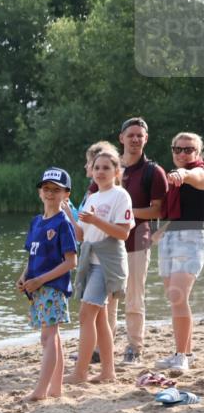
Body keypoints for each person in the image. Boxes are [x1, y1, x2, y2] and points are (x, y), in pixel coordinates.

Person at [66, 150, 134, 384]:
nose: (101, 172)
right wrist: (69, 215)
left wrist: (95, 220)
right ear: (91, 172)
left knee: (86, 315)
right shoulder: (92, 198)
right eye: (97, 168)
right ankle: (108, 372)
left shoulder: (120, 195)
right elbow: (82, 236)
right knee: (99, 317)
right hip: (90, 261)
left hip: (107, 262)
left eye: (106, 167)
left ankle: (80, 372)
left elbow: (123, 233)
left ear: (117, 172)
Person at [17, 168, 78, 401]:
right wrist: (24, 277)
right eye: (46, 189)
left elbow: (71, 262)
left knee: (49, 337)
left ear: (66, 194)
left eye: (56, 189)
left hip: (53, 287)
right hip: (36, 287)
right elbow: (32, 256)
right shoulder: (36, 222)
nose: (50, 193)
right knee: (51, 337)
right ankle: (55, 388)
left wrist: (41, 279)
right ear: (40, 192)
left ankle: (40, 391)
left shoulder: (63, 223)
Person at [114, 117, 168, 364]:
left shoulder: (153, 172)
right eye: (131, 134)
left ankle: (134, 347)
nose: (135, 139)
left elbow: (158, 211)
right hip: (108, 242)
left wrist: (126, 212)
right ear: (121, 138)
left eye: (140, 135)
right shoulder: (109, 167)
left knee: (134, 296)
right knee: (105, 297)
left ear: (146, 139)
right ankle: (100, 346)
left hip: (137, 242)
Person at [154, 132, 204, 373]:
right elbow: (178, 213)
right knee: (174, 299)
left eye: (189, 149)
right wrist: (161, 231)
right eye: (178, 149)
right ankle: (186, 352)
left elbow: (194, 176)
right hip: (171, 237)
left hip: (192, 237)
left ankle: (181, 356)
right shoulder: (172, 179)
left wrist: (182, 174)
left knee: (178, 298)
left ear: (198, 153)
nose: (183, 154)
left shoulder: (198, 172)